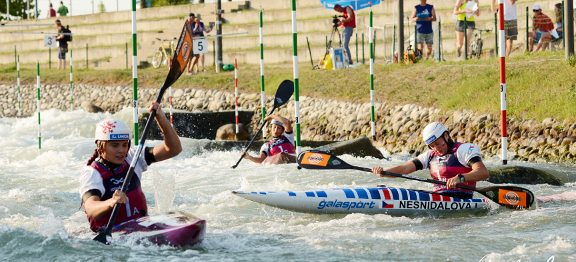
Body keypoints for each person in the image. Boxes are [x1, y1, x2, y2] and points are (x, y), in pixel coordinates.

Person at [79, 102, 182, 233]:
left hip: (140, 230)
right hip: (113, 235)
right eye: (115, 145)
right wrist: (111, 202)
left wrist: (161, 118)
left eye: (124, 144)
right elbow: (91, 208)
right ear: (100, 146)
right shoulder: (92, 173)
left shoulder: (133, 158)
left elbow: (173, 149)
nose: (121, 150)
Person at [371, 122, 489, 199]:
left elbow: (483, 172)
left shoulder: (463, 150)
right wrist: (384, 172)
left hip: (461, 198)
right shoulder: (429, 155)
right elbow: (405, 168)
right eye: (432, 145)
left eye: (438, 143)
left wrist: (461, 178)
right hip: (438, 198)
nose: (436, 148)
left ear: (446, 136)